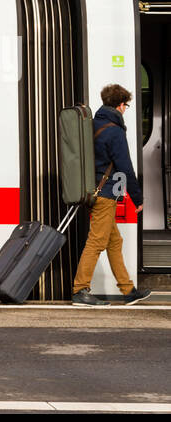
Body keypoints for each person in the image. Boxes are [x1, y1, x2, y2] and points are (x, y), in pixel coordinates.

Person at [72, 84, 152, 306]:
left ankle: (127, 290)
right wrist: (137, 198)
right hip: (105, 194)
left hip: (94, 189)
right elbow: (125, 167)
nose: (125, 109)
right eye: (126, 105)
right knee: (97, 242)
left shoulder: (94, 124)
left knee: (114, 241)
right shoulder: (114, 130)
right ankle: (80, 289)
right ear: (120, 105)